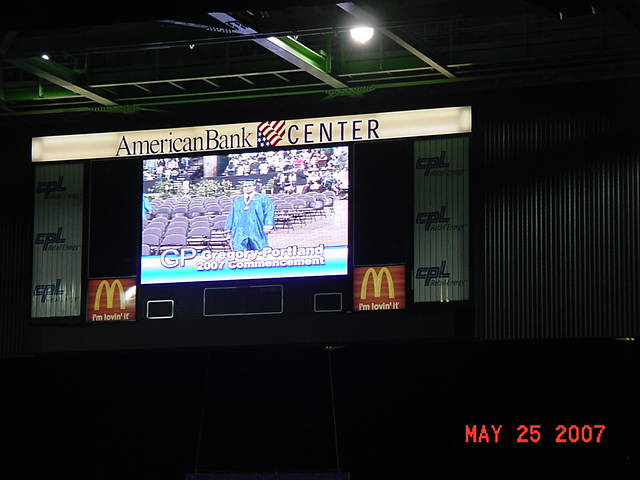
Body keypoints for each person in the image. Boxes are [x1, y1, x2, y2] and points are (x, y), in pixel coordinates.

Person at [225, 180, 275, 251]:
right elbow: (232, 214)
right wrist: (229, 228)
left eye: (249, 186)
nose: (247, 188)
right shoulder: (238, 200)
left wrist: (268, 225)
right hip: (240, 230)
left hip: (257, 229)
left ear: (254, 187)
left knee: (259, 250)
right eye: (245, 186)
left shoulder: (262, 199)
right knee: (240, 252)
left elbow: (269, 212)